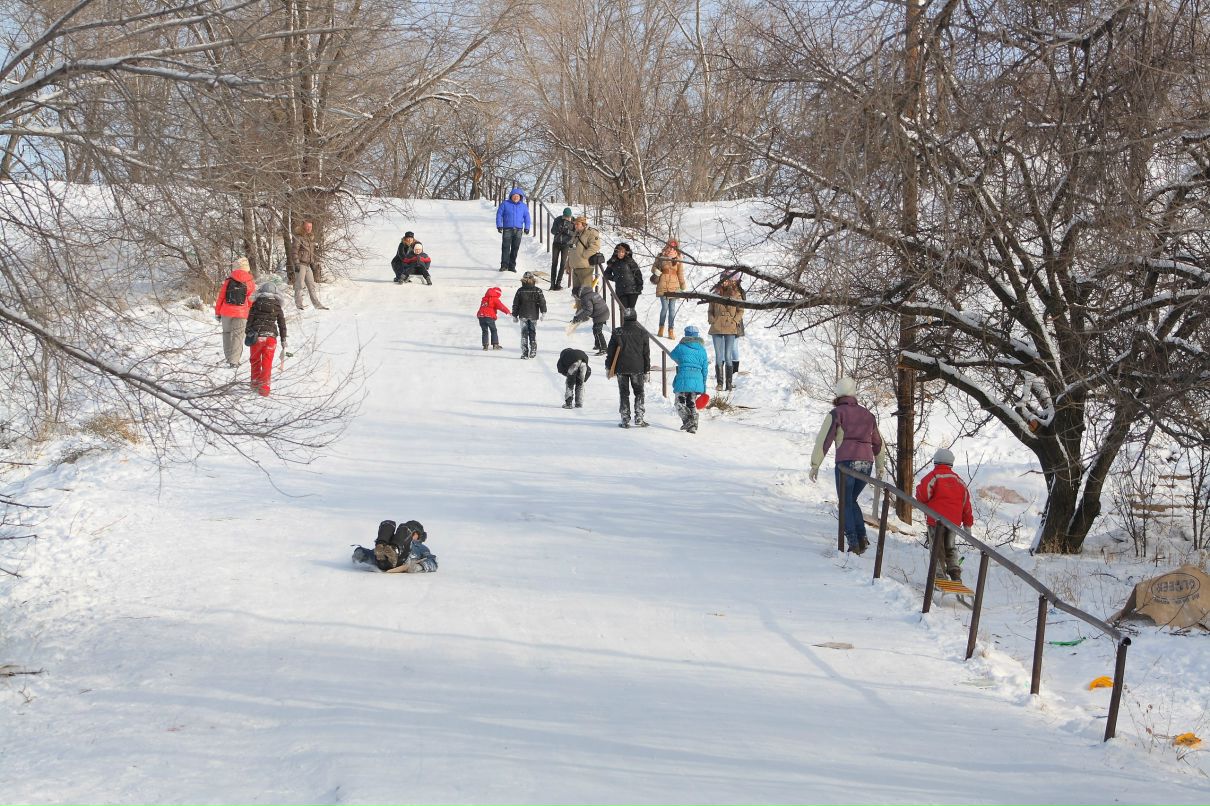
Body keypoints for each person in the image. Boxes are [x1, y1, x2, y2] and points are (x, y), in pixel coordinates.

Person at [809, 377, 887, 554]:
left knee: (845, 502)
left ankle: (853, 542)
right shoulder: (868, 415)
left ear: (838, 393)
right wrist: (880, 465)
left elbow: (824, 440)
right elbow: (878, 443)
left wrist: (815, 464)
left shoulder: (837, 413)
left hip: (846, 463)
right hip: (866, 464)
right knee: (851, 500)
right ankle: (862, 538)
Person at [915, 447, 973, 582]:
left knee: (937, 549)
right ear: (951, 464)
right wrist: (968, 525)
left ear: (935, 462)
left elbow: (922, 495)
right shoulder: (959, 481)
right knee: (950, 547)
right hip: (954, 523)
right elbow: (966, 505)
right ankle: (955, 573)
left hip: (935, 521)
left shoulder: (933, 477)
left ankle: (940, 576)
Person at [605, 308, 651, 428]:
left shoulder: (617, 332)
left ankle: (625, 419)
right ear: (635, 318)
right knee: (639, 393)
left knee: (624, 393)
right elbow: (646, 353)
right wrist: (647, 370)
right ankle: (639, 417)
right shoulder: (642, 332)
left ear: (624, 318)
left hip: (621, 368)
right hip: (637, 368)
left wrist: (608, 367)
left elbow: (610, 351)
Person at [245, 281, 288, 396]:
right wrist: (283, 339)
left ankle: (254, 384)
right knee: (267, 363)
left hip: (257, 337)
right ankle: (264, 389)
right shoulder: (277, 306)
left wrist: (248, 333)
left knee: (255, 360)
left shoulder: (255, 304)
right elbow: (282, 325)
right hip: (271, 338)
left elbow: (249, 321)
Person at [214, 257, 256, 367]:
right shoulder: (249, 281)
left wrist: (218, 312)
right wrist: (251, 313)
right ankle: (234, 361)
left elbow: (221, 297)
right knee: (238, 336)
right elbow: (251, 300)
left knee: (227, 334)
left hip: (226, 312)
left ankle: (228, 357)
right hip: (241, 313)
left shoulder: (228, 280)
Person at [352, 520, 437, 573]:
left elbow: (432, 561)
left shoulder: (421, 547)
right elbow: (373, 553)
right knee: (389, 523)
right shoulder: (393, 541)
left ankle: (394, 550)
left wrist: (420, 566)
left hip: (400, 559)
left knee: (402, 527)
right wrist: (361, 552)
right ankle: (382, 544)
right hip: (382, 560)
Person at [669, 324, 709, 433]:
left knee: (679, 402)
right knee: (691, 403)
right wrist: (703, 385)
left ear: (686, 335)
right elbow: (705, 369)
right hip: (697, 380)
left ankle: (689, 420)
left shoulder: (681, 347)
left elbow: (672, 355)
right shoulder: (702, 350)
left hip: (683, 379)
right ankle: (693, 426)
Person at [707, 274, 744, 391]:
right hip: (717, 327)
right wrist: (712, 319)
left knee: (728, 356)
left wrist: (734, 321)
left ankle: (728, 384)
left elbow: (741, 310)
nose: (723, 282)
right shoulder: (715, 294)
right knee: (719, 356)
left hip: (730, 327)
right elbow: (710, 310)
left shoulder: (736, 294)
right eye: (722, 280)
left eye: (726, 280)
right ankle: (719, 383)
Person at [289, 219, 328, 310]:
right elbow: (294, 251)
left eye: (310, 226)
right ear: (303, 226)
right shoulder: (299, 237)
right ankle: (299, 305)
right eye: (307, 226)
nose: (309, 228)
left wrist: (313, 263)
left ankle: (317, 305)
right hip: (300, 264)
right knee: (299, 285)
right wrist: (296, 263)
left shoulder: (310, 239)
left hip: (307, 265)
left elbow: (309, 253)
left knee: (312, 285)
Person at [653, 239, 685, 339]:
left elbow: (680, 273)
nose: (671, 248)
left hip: (674, 287)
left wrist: (682, 284)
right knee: (665, 308)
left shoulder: (679, 258)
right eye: (670, 246)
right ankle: (661, 328)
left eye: (673, 246)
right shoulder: (661, 256)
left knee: (672, 310)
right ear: (667, 246)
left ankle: (671, 330)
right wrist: (656, 271)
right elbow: (653, 267)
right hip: (663, 285)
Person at [512, 272, 547, 359]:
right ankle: (533, 351)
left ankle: (524, 353)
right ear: (533, 279)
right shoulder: (538, 290)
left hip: (523, 314)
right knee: (532, 333)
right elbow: (542, 302)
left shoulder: (520, 291)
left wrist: (514, 315)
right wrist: (543, 312)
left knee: (524, 334)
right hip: (533, 315)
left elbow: (516, 304)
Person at [495, 187, 531, 272]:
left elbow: (527, 217)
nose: (516, 197)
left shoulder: (523, 206)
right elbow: (499, 215)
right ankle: (504, 265)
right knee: (505, 247)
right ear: (511, 196)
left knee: (515, 248)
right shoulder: (505, 204)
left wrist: (527, 227)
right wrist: (499, 225)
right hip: (507, 229)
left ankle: (512, 266)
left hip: (518, 230)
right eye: (514, 196)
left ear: (520, 197)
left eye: (517, 196)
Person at [568, 284, 609, 354]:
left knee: (597, 331)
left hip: (600, 315)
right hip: (604, 312)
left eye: (575, 296)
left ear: (578, 294)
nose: (576, 298)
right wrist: (577, 317)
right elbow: (585, 309)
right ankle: (598, 344)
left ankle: (603, 348)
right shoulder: (592, 293)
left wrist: (577, 318)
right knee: (595, 329)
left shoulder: (585, 298)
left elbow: (588, 311)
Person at [604, 242, 644, 310]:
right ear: (616, 252)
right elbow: (606, 274)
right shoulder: (613, 262)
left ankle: (632, 320)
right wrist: (614, 278)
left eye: (622, 252)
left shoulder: (630, 261)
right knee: (624, 310)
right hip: (621, 291)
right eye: (619, 252)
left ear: (626, 253)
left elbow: (638, 274)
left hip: (632, 290)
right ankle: (624, 320)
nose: (620, 254)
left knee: (631, 311)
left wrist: (639, 286)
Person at [568, 215, 602, 293]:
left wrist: (584, 255)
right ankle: (579, 305)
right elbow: (571, 249)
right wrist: (568, 263)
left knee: (585, 293)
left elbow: (596, 246)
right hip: (575, 266)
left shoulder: (591, 232)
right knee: (576, 293)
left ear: (583, 224)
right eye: (575, 224)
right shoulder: (576, 233)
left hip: (585, 267)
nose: (575, 226)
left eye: (577, 224)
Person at [549, 207, 575, 290]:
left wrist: (567, 231)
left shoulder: (573, 221)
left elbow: (575, 234)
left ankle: (558, 283)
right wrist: (558, 229)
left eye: (568, 217)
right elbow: (552, 231)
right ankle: (552, 284)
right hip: (556, 243)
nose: (567, 218)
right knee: (554, 263)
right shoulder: (558, 219)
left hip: (566, 245)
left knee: (563, 264)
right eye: (565, 217)